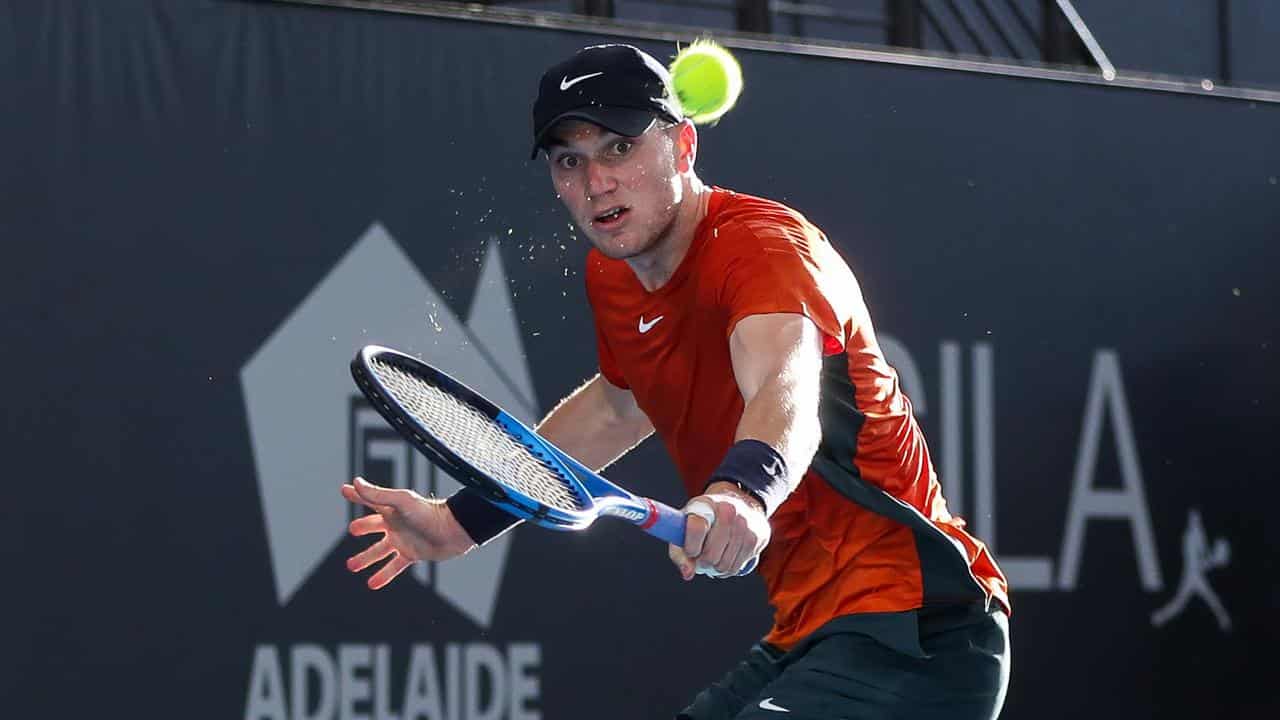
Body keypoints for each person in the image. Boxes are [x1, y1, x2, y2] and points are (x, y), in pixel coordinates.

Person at [341, 43, 1011, 719]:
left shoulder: (765, 249)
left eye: (619, 148)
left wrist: (744, 493)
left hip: (921, 630)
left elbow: (786, 381)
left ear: (682, 147)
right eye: (570, 161)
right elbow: (616, 409)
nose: (596, 181)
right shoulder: (614, 274)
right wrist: (463, 520)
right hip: (809, 634)